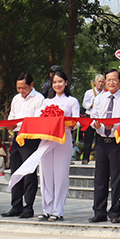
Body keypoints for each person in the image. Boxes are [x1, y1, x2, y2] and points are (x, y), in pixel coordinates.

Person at [88, 68, 120, 223]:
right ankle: (99, 211)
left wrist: (113, 127)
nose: (111, 82)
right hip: (101, 141)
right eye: (108, 80)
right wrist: (98, 125)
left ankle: (115, 212)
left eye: (114, 79)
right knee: (100, 178)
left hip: (117, 141)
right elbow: (94, 117)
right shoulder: (100, 98)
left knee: (116, 178)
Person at [37, 69, 79, 221]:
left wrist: (67, 123)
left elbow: (76, 122)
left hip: (63, 140)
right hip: (46, 140)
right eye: (54, 82)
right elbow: (39, 120)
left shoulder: (72, 101)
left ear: (66, 83)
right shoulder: (46, 102)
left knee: (60, 175)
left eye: (60, 81)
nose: (57, 84)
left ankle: (58, 210)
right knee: (45, 175)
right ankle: (46, 209)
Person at [1, 71, 44, 218]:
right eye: (18, 88)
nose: (21, 91)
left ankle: (28, 206)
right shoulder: (16, 99)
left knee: (29, 173)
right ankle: (15, 205)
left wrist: (18, 123)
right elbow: (12, 116)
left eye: (23, 88)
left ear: (31, 85)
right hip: (17, 136)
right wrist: (9, 125)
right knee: (16, 171)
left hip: (31, 137)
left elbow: (37, 119)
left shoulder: (39, 99)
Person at [80, 73, 105, 163]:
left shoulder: (105, 93)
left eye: (102, 82)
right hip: (89, 117)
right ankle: (85, 158)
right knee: (88, 138)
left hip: (100, 117)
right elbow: (84, 104)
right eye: (99, 81)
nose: (101, 83)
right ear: (95, 82)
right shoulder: (89, 92)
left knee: (100, 138)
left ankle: (99, 158)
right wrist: (93, 104)